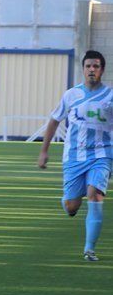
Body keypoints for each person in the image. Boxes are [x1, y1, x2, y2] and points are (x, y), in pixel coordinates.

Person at [38, 50, 112, 261]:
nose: (91, 69)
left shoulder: (110, 97)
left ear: (102, 70)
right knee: (72, 205)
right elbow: (54, 120)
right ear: (83, 69)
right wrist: (44, 151)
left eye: (96, 66)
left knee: (95, 194)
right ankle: (69, 203)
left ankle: (90, 249)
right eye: (88, 66)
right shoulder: (71, 95)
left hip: (102, 154)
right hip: (73, 157)